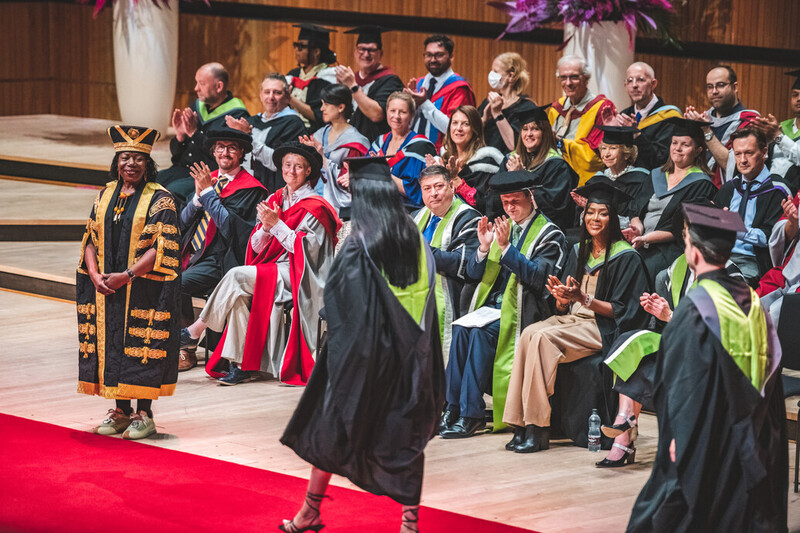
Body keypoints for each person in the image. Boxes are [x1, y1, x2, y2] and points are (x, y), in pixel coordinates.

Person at [279, 156, 444, 533]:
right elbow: (426, 302)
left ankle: (310, 510)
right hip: (412, 358)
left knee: (329, 428)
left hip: (363, 359)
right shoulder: (414, 237)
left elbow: (338, 305)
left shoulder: (360, 241)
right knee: (406, 441)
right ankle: (409, 524)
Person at [627, 203, 786, 533]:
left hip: (707, 441)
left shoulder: (696, 309)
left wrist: (677, 438)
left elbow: (686, 386)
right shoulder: (753, 301)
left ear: (694, 253)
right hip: (753, 440)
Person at [503, 179, 651, 454]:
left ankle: (538, 428)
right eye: (591, 212)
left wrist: (584, 299)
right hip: (573, 321)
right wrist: (561, 301)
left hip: (602, 327)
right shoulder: (579, 250)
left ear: (613, 218)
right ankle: (519, 423)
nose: (595, 218)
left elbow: (624, 311)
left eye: (603, 213)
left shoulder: (626, 257)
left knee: (543, 338)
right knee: (529, 333)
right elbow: (565, 303)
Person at [180, 141, 340, 386]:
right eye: (288, 165)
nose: (292, 171)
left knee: (236, 276)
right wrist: (266, 229)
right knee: (239, 296)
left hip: (304, 274)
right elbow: (255, 246)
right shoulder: (276, 198)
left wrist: (277, 225)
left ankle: (196, 329)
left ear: (308, 172)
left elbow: (310, 253)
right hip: (276, 267)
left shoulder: (316, 207)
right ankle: (242, 365)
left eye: (299, 166)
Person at [602, 202, 745, 468]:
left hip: (715, 359)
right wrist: (658, 312)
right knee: (631, 343)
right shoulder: (672, 272)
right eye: (687, 235)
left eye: (692, 237)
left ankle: (625, 437)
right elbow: (667, 329)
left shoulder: (730, 276)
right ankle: (624, 423)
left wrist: (671, 315)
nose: (687, 242)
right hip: (683, 348)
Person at [440, 171, 567, 439]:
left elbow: (540, 279)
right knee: (462, 328)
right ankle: (451, 408)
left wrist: (507, 248)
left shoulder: (549, 233)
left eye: (516, 201)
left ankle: (471, 415)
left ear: (530, 197)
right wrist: (484, 248)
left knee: (479, 332)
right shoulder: (501, 227)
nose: (510, 207)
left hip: (527, 310)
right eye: (506, 202)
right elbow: (474, 274)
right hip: (492, 309)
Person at [77, 125, 180, 440]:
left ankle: (144, 414)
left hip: (144, 287)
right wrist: (95, 275)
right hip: (107, 286)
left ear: (148, 163)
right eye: (125, 158)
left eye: (137, 158)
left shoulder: (161, 199)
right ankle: (120, 411)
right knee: (113, 344)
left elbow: (161, 248)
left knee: (141, 346)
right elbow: (90, 239)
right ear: (117, 162)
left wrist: (128, 275)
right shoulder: (105, 194)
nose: (130, 164)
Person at [177, 127, 268, 371]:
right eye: (220, 147)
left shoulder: (251, 189)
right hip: (194, 253)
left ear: (241, 154)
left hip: (222, 260)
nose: (225, 152)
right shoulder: (210, 179)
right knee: (158, 273)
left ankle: (186, 349)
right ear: (213, 152)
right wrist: (197, 199)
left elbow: (230, 227)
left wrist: (207, 192)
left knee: (178, 282)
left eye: (231, 148)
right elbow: (183, 222)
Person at [624, 117, 716, 278]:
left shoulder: (700, 183)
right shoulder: (656, 174)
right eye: (674, 143)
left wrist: (646, 239)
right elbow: (636, 209)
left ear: (698, 150)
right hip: (641, 239)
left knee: (643, 267)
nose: (678, 148)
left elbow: (683, 226)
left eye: (685, 145)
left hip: (670, 247)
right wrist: (637, 228)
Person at [158, 62, 249, 207]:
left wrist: (194, 133)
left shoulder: (236, 116)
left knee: (169, 194)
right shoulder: (198, 106)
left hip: (208, 175)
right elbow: (177, 155)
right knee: (150, 183)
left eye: (201, 83)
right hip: (182, 169)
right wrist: (180, 136)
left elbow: (223, 156)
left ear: (219, 86)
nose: (196, 88)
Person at [413, 164, 481, 357]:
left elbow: (464, 263)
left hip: (450, 293)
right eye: (427, 188)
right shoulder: (418, 216)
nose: (433, 193)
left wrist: (420, 252)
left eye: (439, 186)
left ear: (452, 186)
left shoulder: (468, 218)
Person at [714, 128, 788, 285]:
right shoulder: (729, 188)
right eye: (738, 154)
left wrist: (736, 229)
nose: (743, 160)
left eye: (749, 153)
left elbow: (771, 238)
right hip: (720, 256)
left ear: (764, 152)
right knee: (665, 278)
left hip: (753, 261)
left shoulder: (778, 190)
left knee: (725, 286)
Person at [225, 73, 307, 192]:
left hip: (271, 192)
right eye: (267, 92)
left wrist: (248, 137)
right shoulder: (250, 121)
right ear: (260, 95)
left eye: (277, 93)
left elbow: (279, 164)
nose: (271, 97)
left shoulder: (293, 124)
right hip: (243, 188)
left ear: (288, 97)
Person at [505, 104, 579, 230]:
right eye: (525, 129)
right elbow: (493, 200)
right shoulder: (510, 160)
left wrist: (521, 177)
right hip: (510, 228)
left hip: (542, 230)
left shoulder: (556, 166)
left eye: (535, 129)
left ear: (544, 133)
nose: (529, 134)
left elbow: (554, 206)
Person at [299, 83, 370, 215]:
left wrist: (322, 157)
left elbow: (350, 183)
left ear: (341, 107)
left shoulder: (356, 142)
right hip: (313, 199)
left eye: (326, 104)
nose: (321, 109)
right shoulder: (318, 135)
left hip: (341, 207)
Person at [685, 65, 760, 187]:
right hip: (697, 187)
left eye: (720, 85)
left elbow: (734, 165)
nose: (714, 91)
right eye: (710, 87)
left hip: (729, 192)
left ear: (734, 87)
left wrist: (706, 131)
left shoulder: (749, 120)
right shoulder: (704, 117)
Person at [547, 55, 616, 186]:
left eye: (574, 77)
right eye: (563, 77)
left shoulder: (602, 109)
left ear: (586, 78)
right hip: (554, 180)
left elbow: (596, 157)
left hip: (585, 184)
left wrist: (560, 143)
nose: (568, 83)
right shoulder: (556, 109)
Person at [405, 34, 476, 149]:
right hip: (412, 150)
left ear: (451, 56)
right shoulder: (418, 84)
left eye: (439, 55)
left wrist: (424, 103)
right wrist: (409, 106)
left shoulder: (459, 88)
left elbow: (455, 129)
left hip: (442, 155)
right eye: (429, 55)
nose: (433, 60)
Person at [337, 25, 405, 144]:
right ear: (355, 52)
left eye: (371, 50)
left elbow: (377, 114)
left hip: (374, 146)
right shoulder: (351, 78)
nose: (366, 54)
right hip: (346, 142)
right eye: (361, 49)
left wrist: (353, 86)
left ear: (381, 53)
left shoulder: (390, 81)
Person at [433, 105, 504, 217]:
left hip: (473, 222)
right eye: (455, 123)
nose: (459, 128)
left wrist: (457, 181)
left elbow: (486, 204)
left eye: (466, 124)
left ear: (475, 129)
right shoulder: (444, 158)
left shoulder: (487, 161)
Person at [575, 126, 652, 228]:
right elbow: (580, 224)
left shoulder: (641, 180)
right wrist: (587, 210)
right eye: (603, 148)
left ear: (626, 154)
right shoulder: (595, 181)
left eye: (613, 148)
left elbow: (638, 218)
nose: (606, 154)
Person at [371, 91, 437, 208]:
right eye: (392, 111)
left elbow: (418, 192)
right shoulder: (379, 143)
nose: (396, 116)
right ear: (386, 112)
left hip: (407, 212)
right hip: (376, 207)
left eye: (403, 112)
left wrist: (384, 173)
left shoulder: (421, 147)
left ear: (412, 115)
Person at [613, 62, 682, 170]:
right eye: (630, 81)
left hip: (654, 180)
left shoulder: (670, 116)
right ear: (625, 86)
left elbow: (662, 159)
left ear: (653, 84)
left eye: (640, 80)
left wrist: (637, 135)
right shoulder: (624, 116)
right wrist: (609, 127)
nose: (634, 85)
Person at [478, 52, 537, 154]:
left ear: (511, 76)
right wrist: (483, 119)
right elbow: (470, 136)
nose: (491, 75)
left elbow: (514, 145)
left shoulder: (526, 107)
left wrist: (497, 113)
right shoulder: (488, 103)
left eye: (496, 72)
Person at [757, 192, 799, 325]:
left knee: (777, 315)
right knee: (748, 308)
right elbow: (784, 227)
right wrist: (793, 223)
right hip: (792, 268)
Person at [286, 24, 337, 131]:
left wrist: (289, 98)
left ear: (316, 52)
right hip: (289, 129)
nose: (297, 51)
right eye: (296, 45)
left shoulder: (328, 78)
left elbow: (318, 115)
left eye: (301, 47)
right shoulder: (293, 74)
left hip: (313, 133)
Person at [754, 69, 800, 185]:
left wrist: (777, 136)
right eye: (795, 95)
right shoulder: (782, 126)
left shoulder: (778, 132)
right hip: (773, 189)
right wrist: (766, 139)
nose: (798, 99)